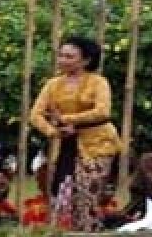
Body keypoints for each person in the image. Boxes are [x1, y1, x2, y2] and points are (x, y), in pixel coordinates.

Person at [28, 35, 121, 231]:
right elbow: (35, 115)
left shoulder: (98, 82)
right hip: (65, 144)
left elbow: (103, 112)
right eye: (61, 56)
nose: (63, 60)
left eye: (69, 57)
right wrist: (54, 132)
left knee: (87, 195)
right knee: (61, 194)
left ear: (86, 60)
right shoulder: (52, 84)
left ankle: (88, 231)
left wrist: (67, 119)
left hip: (97, 145)